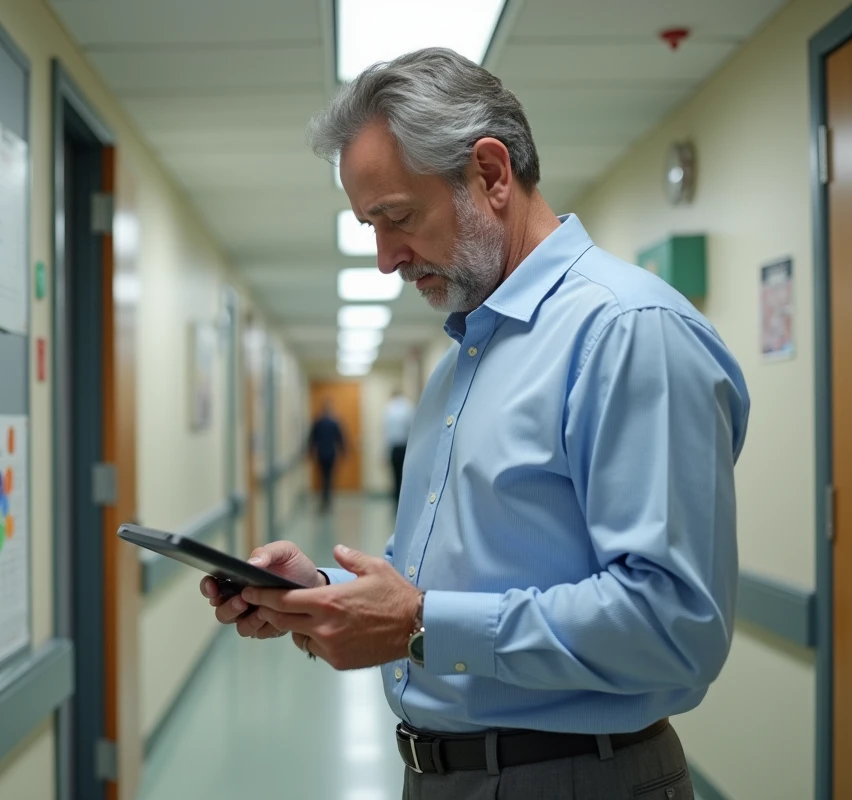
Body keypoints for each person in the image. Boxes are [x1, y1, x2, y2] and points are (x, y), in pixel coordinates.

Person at [200, 47, 749, 800]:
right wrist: (323, 594)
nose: (387, 257)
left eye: (397, 218)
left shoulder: (626, 332)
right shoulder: (464, 358)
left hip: (578, 779)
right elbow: (438, 581)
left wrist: (420, 625)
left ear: (490, 174)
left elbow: (674, 625)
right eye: (369, 225)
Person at [307, 398, 346, 513]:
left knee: (324, 477)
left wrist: (310, 452)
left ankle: (325, 500)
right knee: (328, 477)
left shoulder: (318, 422)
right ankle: (327, 499)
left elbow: (311, 439)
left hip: (321, 453)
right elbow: (340, 439)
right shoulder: (334, 422)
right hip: (331, 453)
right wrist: (344, 452)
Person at [384, 389, 415, 510]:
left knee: (395, 477)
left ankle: (396, 503)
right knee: (404, 477)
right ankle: (403, 503)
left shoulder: (388, 409)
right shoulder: (408, 406)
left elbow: (386, 433)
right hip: (405, 447)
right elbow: (412, 429)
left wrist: (385, 454)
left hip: (394, 448)